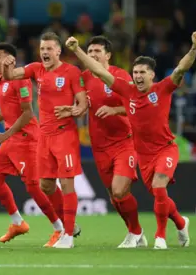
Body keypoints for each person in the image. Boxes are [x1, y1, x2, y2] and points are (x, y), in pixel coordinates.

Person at [65, 32, 196, 249]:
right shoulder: (124, 89)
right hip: (129, 151)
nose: (137, 76)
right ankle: (175, 222)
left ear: (151, 75)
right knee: (118, 197)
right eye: (135, 72)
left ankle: (158, 237)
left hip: (144, 146)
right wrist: (76, 51)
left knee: (137, 190)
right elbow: (98, 72)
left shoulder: (161, 88)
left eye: (142, 73)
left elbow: (181, 69)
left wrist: (194, 48)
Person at [57, 36, 145, 248]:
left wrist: (115, 109)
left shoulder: (120, 76)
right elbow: (82, 106)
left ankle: (136, 232)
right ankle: (136, 233)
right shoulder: (84, 78)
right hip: (99, 146)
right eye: (90, 51)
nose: (93, 55)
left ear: (108, 55)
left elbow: (137, 105)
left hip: (124, 142)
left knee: (118, 190)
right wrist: (74, 110)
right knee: (115, 198)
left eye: (97, 51)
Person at [2, 32, 86, 248]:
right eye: (42, 49)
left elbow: (83, 103)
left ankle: (67, 235)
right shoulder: (35, 69)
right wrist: (6, 65)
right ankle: (71, 224)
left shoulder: (71, 72)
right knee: (46, 185)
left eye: (49, 49)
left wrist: (72, 112)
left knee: (67, 184)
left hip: (64, 134)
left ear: (59, 51)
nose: (45, 52)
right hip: (44, 136)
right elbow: (11, 76)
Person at [0, 43, 64, 246]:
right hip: (11, 139)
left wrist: (6, 133)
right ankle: (18, 223)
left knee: (34, 187)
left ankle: (60, 229)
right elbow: (6, 111)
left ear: (10, 59)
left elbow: (28, 113)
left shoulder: (22, 80)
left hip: (27, 138)